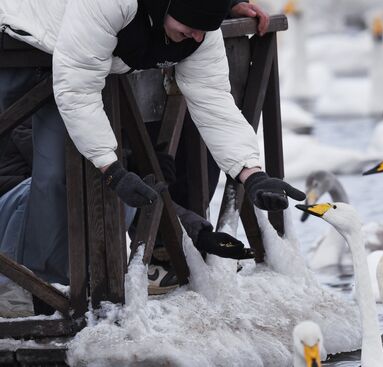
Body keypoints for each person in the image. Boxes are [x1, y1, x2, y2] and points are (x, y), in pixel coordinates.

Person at [0, 0, 305, 316]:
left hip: (72, 53)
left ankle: (49, 291)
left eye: (205, 29)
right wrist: (113, 169)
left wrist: (252, 174)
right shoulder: (111, 5)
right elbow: (77, 91)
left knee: (62, 176)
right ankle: (35, 288)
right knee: (55, 175)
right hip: (18, 37)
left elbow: (214, 101)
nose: (198, 38)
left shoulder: (200, 32)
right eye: (192, 27)